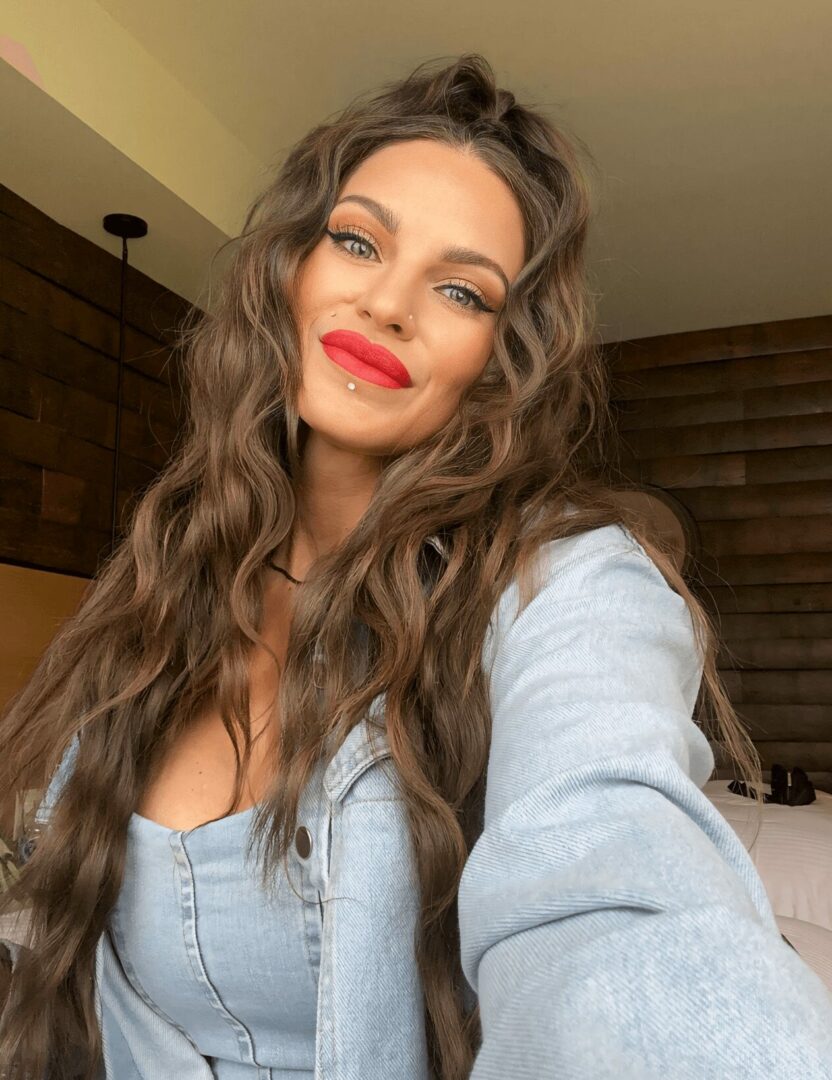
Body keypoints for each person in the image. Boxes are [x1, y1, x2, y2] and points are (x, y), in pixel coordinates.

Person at [1, 52, 831, 1080]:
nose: (389, 303)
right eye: (357, 241)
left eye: (460, 290)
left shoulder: (565, 587)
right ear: (289, 272)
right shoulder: (168, 570)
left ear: (501, 360)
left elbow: (612, 890)